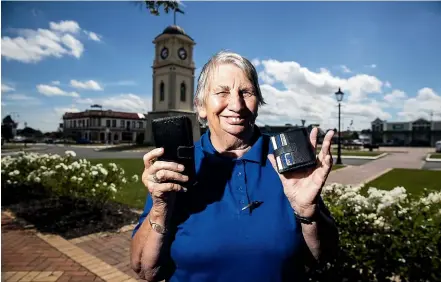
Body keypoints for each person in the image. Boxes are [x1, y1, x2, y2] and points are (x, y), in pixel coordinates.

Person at [130, 50, 339, 282]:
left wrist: (307, 212)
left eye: (246, 92)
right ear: (200, 106)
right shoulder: (178, 167)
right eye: (222, 92)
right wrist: (161, 208)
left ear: (258, 102)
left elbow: (324, 256)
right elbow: (144, 270)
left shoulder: (286, 158)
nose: (236, 105)